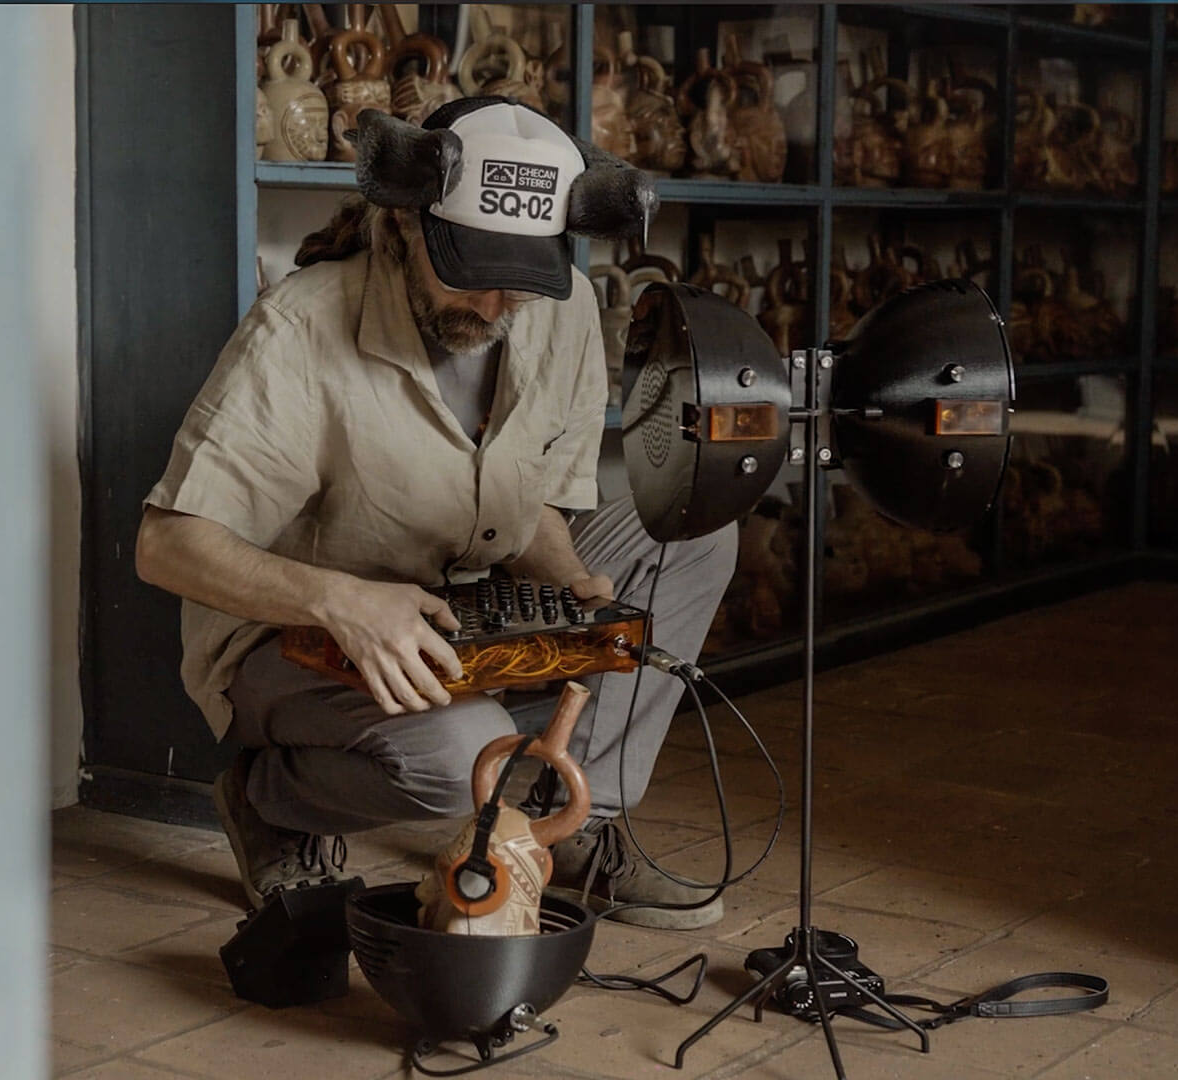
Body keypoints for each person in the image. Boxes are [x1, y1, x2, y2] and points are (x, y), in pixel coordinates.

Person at [136, 99, 737, 929]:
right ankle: (268, 799)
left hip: (457, 605)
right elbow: (165, 547)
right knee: (469, 762)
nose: (495, 308)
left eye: (520, 281)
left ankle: (568, 827)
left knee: (694, 529)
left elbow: (525, 514)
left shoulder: (555, 316)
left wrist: (569, 580)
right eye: (473, 270)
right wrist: (342, 603)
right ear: (407, 224)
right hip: (292, 639)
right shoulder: (300, 330)